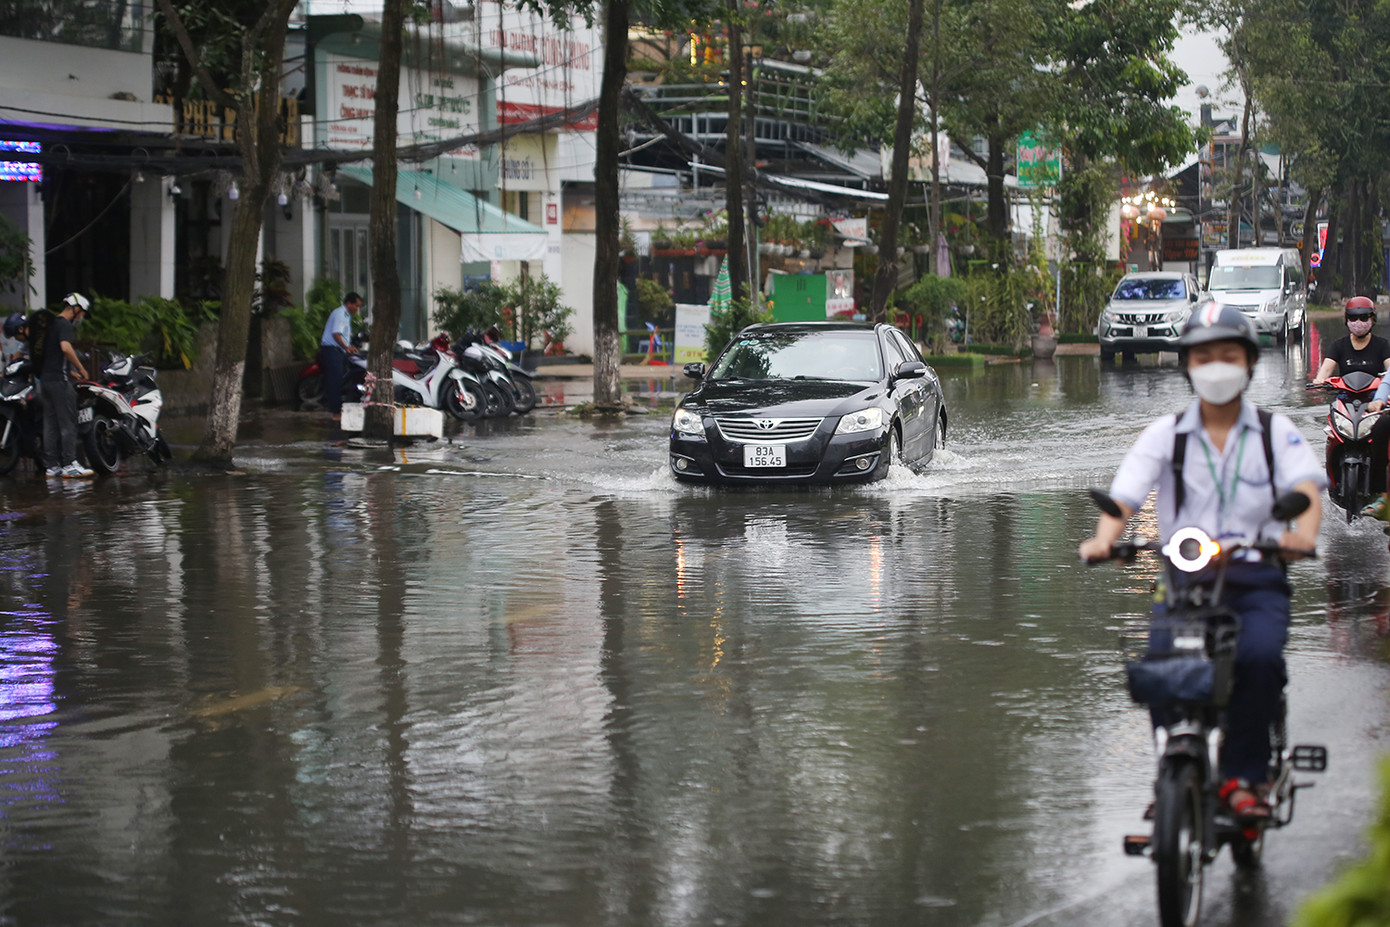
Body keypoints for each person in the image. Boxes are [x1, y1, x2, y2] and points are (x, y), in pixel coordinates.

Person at [1079, 302, 1324, 821]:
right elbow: (1123, 500)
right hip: (1185, 576)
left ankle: (1244, 776)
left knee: (1258, 659)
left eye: (1228, 354)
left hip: (1257, 576)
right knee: (1163, 664)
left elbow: (1307, 488)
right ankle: (1174, 761)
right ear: (1187, 364)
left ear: (1249, 363)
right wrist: (1104, 541)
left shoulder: (1275, 432)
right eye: (1204, 355)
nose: (1216, 365)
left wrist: (1302, 536)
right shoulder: (1164, 435)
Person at [1312, 296, 1390, 517]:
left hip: (1373, 404)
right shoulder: (1339, 345)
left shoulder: (1383, 345)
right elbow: (1326, 371)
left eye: (1364, 317)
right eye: (1354, 318)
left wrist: (1381, 397)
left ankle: (1380, 491)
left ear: (1372, 320)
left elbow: (1389, 373)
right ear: (1346, 320)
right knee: (1332, 435)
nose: (1359, 322)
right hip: (1346, 401)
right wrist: (1320, 381)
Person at [37, 293, 93, 479]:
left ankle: (52, 467)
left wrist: (70, 371)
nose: (81, 317)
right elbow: (65, 348)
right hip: (60, 383)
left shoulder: (50, 325)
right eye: (82, 313)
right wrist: (81, 368)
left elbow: (50, 356)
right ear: (76, 308)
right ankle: (70, 464)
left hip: (45, 381)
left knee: (50, 425)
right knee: (68, 423)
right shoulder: (64, 324)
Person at [319, 292, 362, 418]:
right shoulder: (340, 314)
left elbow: (343, 335)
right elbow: (336, 334)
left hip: (338, 351)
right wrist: (346, 347)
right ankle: (336, 412)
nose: (357, 309)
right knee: (335, 381)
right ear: (349, 304)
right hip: (332, 351)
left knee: (340, 380)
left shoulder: (346, 315)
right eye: (356, 306)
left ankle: (339, 409)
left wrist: (349, 346)